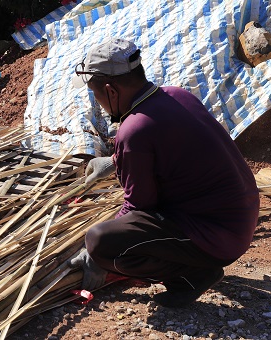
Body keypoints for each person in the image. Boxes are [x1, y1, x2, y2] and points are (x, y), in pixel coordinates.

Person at [68, 37, 260, 307]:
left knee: (101, 241)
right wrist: (117, 160)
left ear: (111, 91)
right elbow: (172, 149)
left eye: (97, 95)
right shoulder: (176, 95)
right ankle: (196, 265)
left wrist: (96, 254)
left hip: (217, 237)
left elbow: (139, 207)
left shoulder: (133, 130)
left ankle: (194, 274)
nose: (99, 103)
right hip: (240, 219)